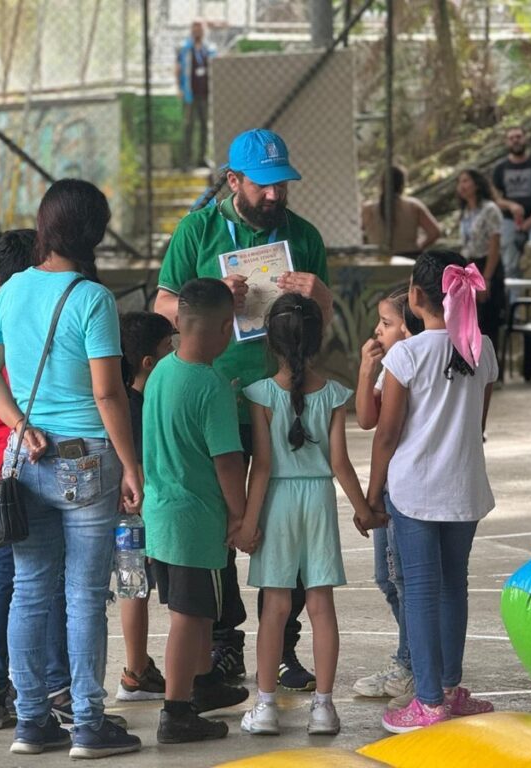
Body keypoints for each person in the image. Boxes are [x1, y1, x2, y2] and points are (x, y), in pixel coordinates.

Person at [154, 127, 333, 693]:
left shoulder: (302, 237)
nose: (276, 197)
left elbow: (323, 328)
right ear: (234, 181)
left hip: (283, 397)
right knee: (223, 523)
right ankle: (226, 644)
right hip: (217, 398)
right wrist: (207, 295)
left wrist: (319, 296)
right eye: (264, 186)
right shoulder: (197, 229)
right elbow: (162, 304)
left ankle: (282, 645)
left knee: (284, 518)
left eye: (283, 185)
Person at [0, 179, 142, 758]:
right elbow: (108, 393)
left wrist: (19, 424)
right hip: (86, 459)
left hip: (27, 458)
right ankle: (89, 723)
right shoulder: (92, 299)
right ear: (91, 232)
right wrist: (131, 464)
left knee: (30, 591)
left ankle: (31, 721)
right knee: (85, 594)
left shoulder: (13, 290)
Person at [368, 250, 498, 733]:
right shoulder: (482, 348)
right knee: (453, 585)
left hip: (415, 491)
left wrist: (370, 494)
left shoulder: (406, 354)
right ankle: (448, 688)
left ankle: (426, 701)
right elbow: (477, 426)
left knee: (421, 589)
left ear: (416, 297)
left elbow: (386, 433)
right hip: (464, 487)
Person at [238, 294, 377, 737]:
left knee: (274, 608)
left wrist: (247, 521)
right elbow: (340, 463)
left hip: (276, 502)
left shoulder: (259, 395)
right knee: (320, 606)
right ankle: (323, 708)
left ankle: (264, 708)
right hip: (318, 500)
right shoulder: (334, 394)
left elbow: (261, 467)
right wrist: (364, 511)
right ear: (319, 340)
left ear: (269, 341)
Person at [143, 278, 255, 744]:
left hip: (161, 516)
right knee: (190, 621)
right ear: (226, 327)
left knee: (194, 614)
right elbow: (228, 462)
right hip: (196, 522)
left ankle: (202, 687)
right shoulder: (211, 386)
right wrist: (242, 516)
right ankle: (177, 711)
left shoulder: (162, 372)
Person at [351, 290, 420, 707]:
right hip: (392, 485)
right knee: (387, 577)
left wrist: (372, 497)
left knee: (403, 579)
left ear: (408, 328)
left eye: (387, 322)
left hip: (403, 488)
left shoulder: (413, 363)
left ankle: (411, 663)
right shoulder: (387, 367)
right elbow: (365, 419)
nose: (378, 329)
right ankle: (412, 657)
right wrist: (365, 370)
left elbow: (386, 436)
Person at [116, 311, 175, 703]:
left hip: (127, 512)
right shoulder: (140, 407)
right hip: (138, 513)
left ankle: (137, 668)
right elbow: (138, 467)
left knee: (130, 588)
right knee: (135, 589)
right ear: (148, 363)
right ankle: (136, 671)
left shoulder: (119, 399)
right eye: (169, 350)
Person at [491, 127, 531, 282]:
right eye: (511, 138)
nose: (515, 140)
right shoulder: (500, 168)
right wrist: (511, 206)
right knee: (510, 264)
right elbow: (495, 198)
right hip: (508, 220)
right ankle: (514, 303)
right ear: (506, 142)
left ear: (525, 138)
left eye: (518, 136)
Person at [456, 169, 505, 355]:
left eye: (466, 181)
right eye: (459, 182)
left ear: (476, 184)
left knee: (488, 320)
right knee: (470, 320)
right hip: (470, 266)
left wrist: (486, 278)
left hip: (487, 265)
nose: (462, 186)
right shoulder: (466, 212)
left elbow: (494, 245)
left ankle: (492, 372)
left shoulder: (489, 209)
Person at [361, 166, 441, 255]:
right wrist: (419, 245)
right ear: (402, 185)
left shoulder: (368, 209)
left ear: (381, 185)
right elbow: (434, 232)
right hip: (408, 258)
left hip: (379, 258)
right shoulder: (413, 206)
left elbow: (357, 231)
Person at [177, 20, 214, 169]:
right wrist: (179, 88)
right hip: (190, 94)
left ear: (204, 31)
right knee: (188, 127)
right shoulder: (185, 49)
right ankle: (186, 160)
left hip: (205, 94)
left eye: (200, 29)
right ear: (191, 31)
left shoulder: (208, 49)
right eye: (195, 29)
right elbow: (178, 68)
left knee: (204, 126)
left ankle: (202, 158)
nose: (197, 31)